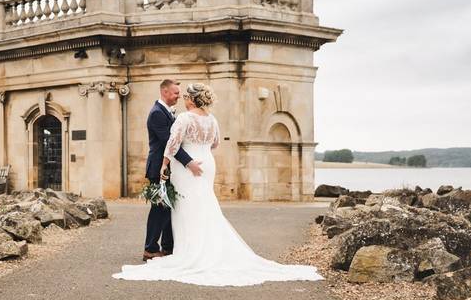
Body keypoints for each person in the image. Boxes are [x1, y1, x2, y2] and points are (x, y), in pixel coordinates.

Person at [115, 82, 323, 286]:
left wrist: (165, 165)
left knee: (186, 207)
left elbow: (171, 145)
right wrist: (200, 152)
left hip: (187, 166)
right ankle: (194, 247)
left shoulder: (184, 118)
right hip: (206, 163)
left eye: (185, 96)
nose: (183, 98)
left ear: (192, 99)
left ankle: (186, 251)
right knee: (204, 204)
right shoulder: (212, 119)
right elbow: (215, 143)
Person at [141, 79, 202, 261]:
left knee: (168, 207)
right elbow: (170, 143)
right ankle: (150, 249)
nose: (178, 96)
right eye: (175, 93)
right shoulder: (157, 114)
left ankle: (168, 247)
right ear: (165, 92)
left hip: (167, 169)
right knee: (159, 208)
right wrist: (189, 162)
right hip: (159, 168)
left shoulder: (166, 112)